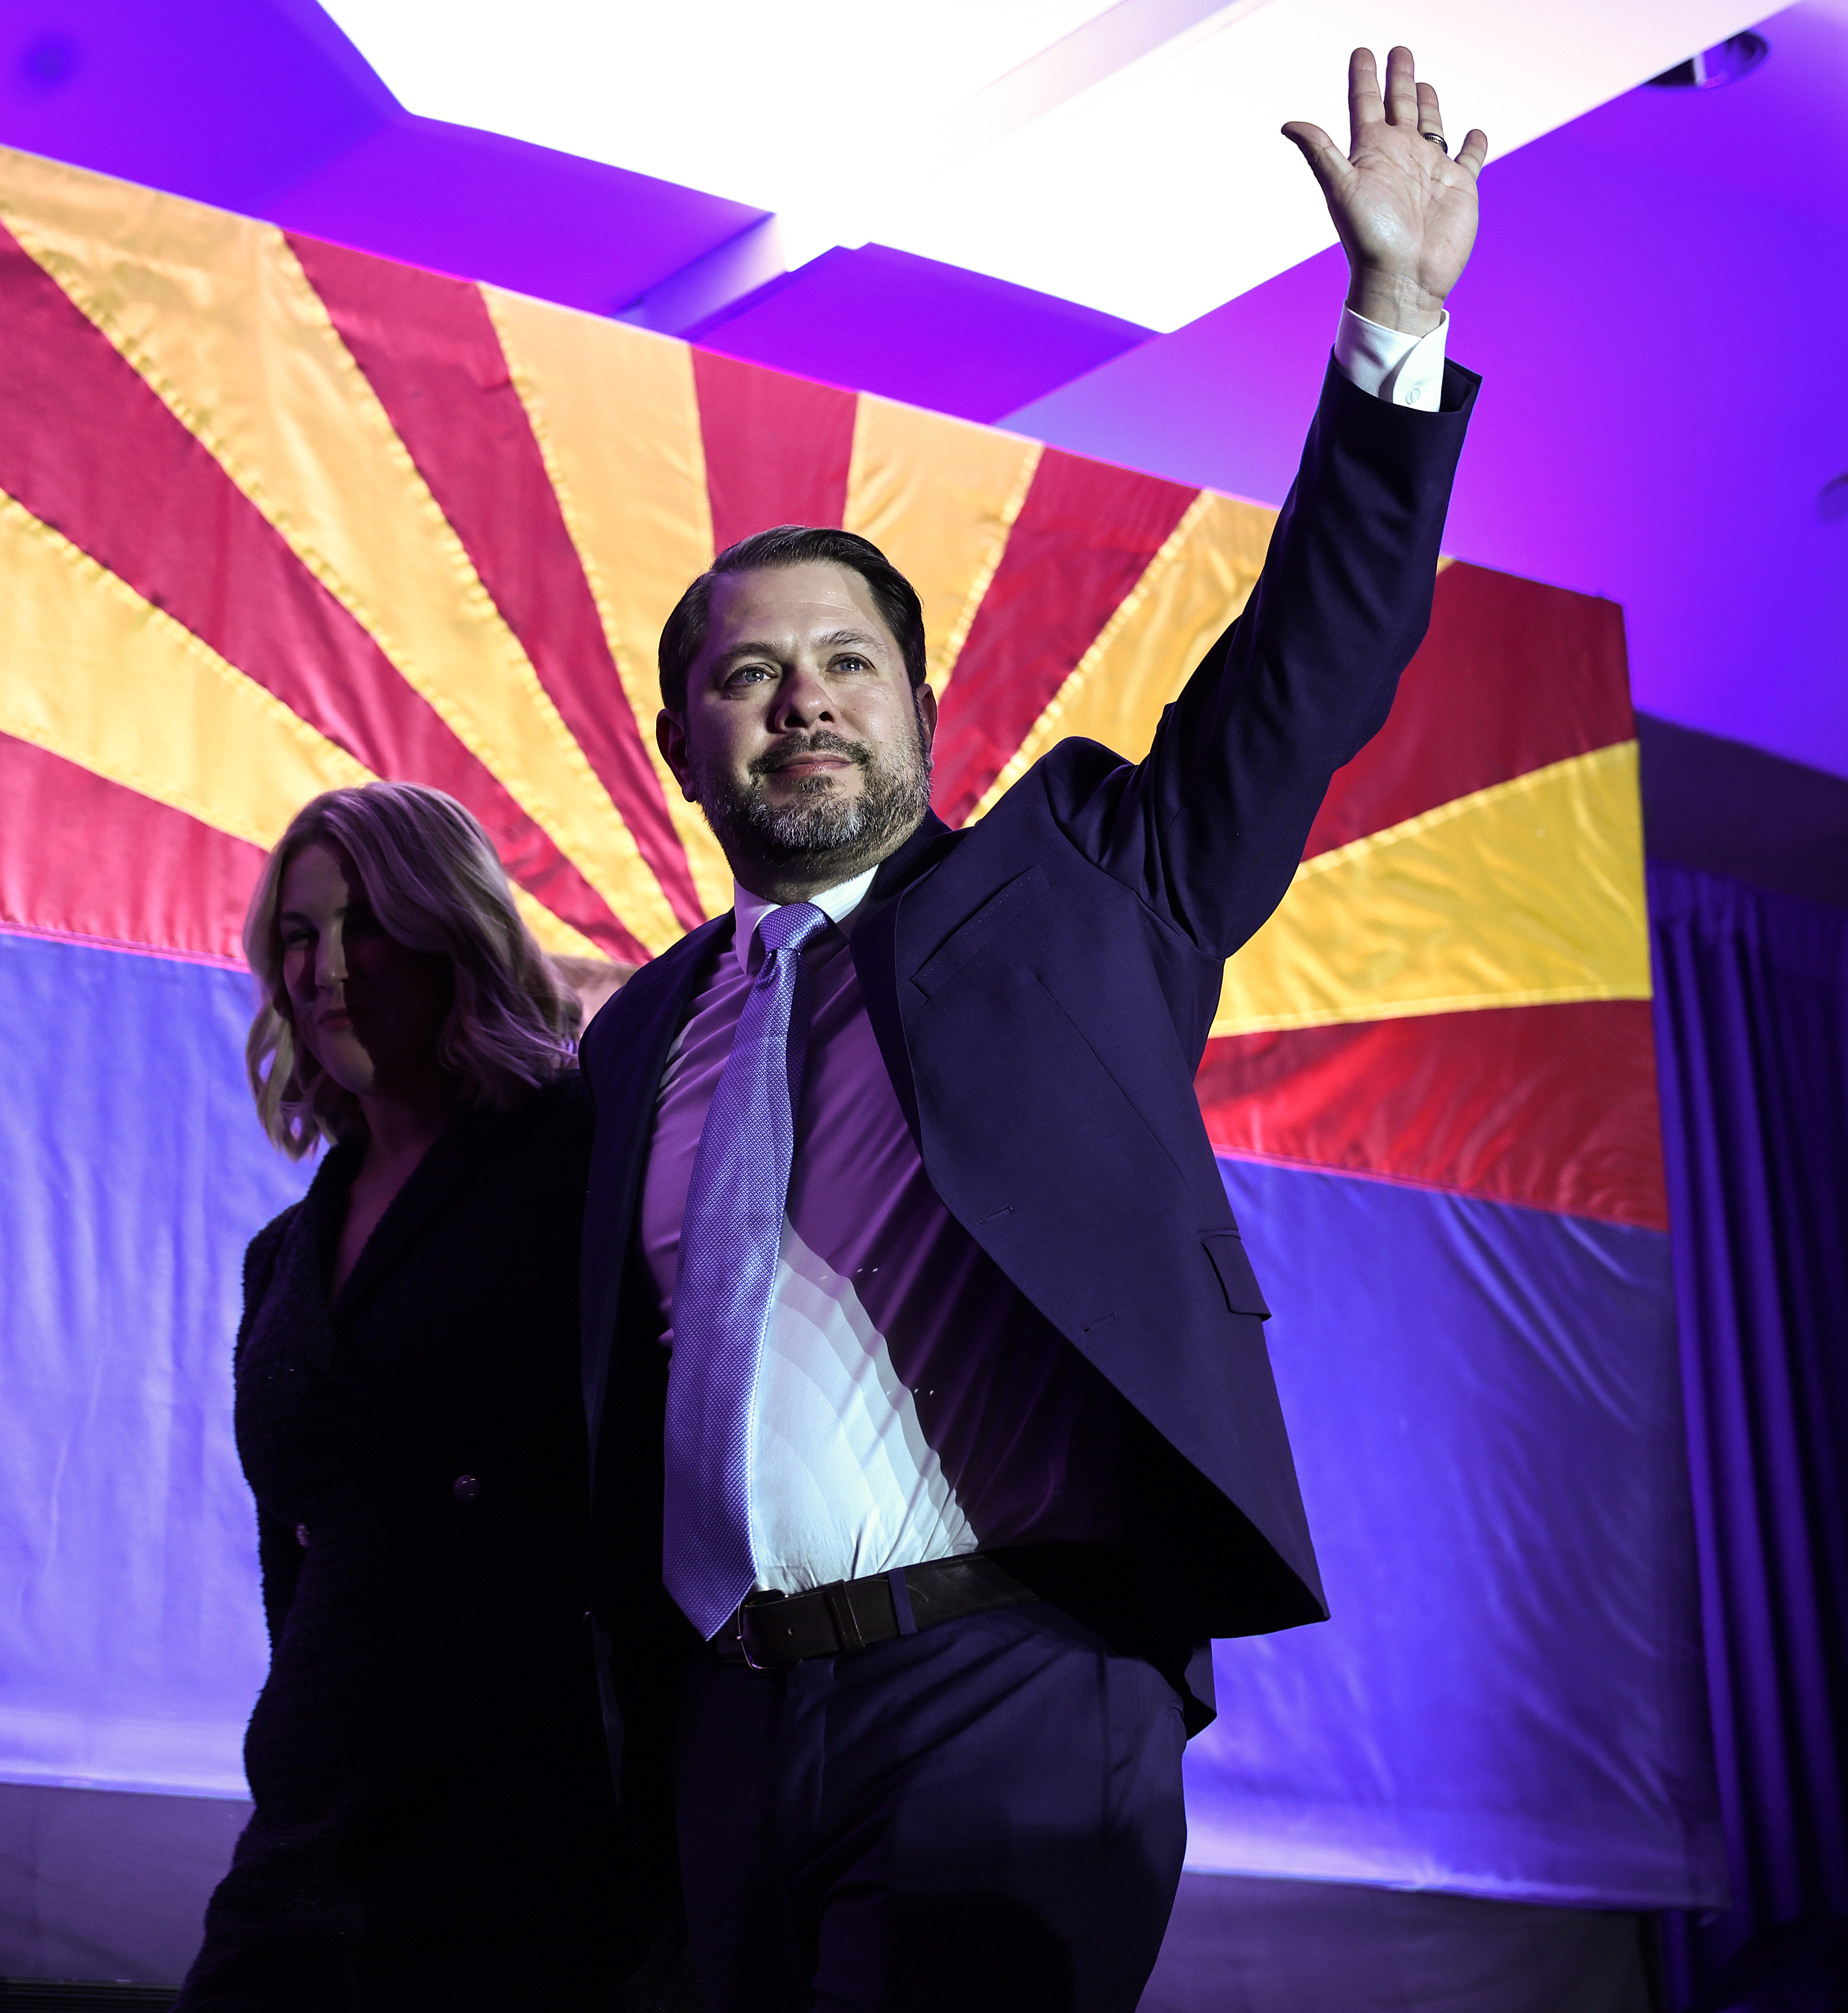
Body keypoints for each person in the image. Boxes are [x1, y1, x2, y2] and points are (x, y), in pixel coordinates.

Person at [574, 48, 1489, 2009]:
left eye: (845, 662)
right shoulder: (640, 1038)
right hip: (723, 1729)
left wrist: (1392, 320)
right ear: (684, 741)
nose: (801, 700)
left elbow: (1303, 671)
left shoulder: (1089, 882)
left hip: (1006, 1682)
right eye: (748, 676)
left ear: (918, 705)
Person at [179, 783, 636, 2009]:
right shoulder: (280, 1256)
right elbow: (295, 1566)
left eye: (368, 921)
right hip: (311, 1813)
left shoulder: (583, 1157)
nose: (329, 967)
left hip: (527, 1819)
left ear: (453, 927)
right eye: (299, 933)